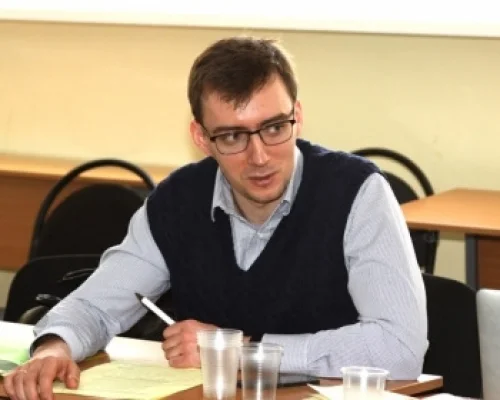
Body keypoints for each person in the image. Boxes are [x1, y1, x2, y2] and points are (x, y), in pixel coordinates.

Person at [4, 36, 428, 400]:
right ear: (201, 138)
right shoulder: (177, 201)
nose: (259, 156)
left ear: (298, 117)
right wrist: (53, 349)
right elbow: (95, 306)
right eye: (232, 136)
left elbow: (399, 347)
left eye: (274, 128)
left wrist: (239, 352)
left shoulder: (357, 193)